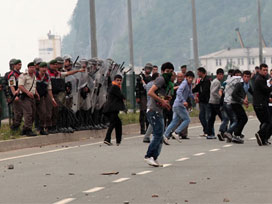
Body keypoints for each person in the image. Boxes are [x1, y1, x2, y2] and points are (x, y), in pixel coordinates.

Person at [144, 62, 172, 167]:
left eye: (171, 71)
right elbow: (150, 92)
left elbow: (160, 97)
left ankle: (154, 158)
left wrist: (166, 101)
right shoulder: (161, 79)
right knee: (157, 134)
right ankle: (148, 156)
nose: (169, 73)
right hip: (153, 110)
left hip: (158, 110)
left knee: (160, 136)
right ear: (162, 71)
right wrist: (162, 101)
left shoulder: (167, 83)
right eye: (167, 71)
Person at [163, 71, 195, 144]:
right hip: (179, 105)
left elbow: (190, 93)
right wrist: (183, 101)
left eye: (192, 78)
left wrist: (194, 97)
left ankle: (165, 135)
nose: (190, 79)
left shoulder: (189, 85)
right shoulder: (184, 83)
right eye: (189, 78)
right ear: (186, 78)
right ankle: (176, 132)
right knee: (187, 119)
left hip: (177, 105)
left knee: (175, 121)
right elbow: (178, 92)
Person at [231, 70, 253, 144]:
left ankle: (235, 134)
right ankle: (236, 135)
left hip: (238, 103)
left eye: (248, 77)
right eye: (245, 77)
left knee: (240, 119)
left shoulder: (248, 85)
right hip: (234, 103)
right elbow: (233, 94)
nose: (246, 78)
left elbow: (252, 93)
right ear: (242, 77)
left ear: (250, 78)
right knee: (244, 118)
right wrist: (242, 101)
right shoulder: (239, 84)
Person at [103, 75, 126, 146]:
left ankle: (118, 140)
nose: (119, 82)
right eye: (117, 80)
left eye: (120, 80)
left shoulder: (114, 86)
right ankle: (107, 139)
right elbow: (121, 96)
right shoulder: (115, 87)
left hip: (113, 109)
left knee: (118, 123)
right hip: (111, 109)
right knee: (113, 123)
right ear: (115, 80)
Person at [18, 62, 40, 136]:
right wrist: (27, 92)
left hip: (32, 97)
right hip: (25, 97)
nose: (32, 69)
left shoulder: (34, 76)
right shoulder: (23, 76)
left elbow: (34, 86)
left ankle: (25, 129)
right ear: (28, 68)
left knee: (33, 113)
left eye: (33, 67)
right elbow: (20, 86)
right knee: (28, 113)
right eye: (31, 67)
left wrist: (36, 93)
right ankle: (28, 129)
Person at [35, 62, 57, 135]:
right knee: (33, 113)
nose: (44, 69)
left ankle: (43, 127)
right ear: (39, 68)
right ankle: (36, 127)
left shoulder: (47, 77)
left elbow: (49, 88)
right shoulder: (35, 75)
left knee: (45, 112)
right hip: (34, 95)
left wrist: (52, 99)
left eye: (45, 67)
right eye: (42, 67)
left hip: (43, 95)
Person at [253, 64, 272, 146]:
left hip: (261, 103)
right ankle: (260, 134)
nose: (265, 72)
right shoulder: (259, 79)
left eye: (266, 70)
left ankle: (263, 139)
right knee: (267, 121)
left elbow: (263, 93)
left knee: (265, 122)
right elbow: (266, 90)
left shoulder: (263, 79)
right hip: (260, 104)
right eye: (264, 70)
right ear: (260, 70)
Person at [223, 69, 242, 142]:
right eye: (237, 75)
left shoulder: (228, 81)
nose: (238, 77)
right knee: (235, 120)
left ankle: (229, 135)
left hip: (225, 102)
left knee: (232, 119)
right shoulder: (236, 80)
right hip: (229, 103)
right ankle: (228, 132)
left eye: (239, 75)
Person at [192, 67, 211, 137]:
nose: (197, 73)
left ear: (201, 72)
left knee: (207, 117)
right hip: (202, 102)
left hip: (206, 101)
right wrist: (190, 91)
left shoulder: (207, 80)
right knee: (201, 117)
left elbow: (205, 91)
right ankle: (206, 130)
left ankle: (209, 131)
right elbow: (197, 88)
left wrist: (199, 98)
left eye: (198, 72)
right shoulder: (202, 81)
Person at [206, 68, 224, 139]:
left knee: (211, 118)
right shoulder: (217, 82)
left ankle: (209, 134)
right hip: (215, 102)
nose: (221, 76)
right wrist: (220, 97)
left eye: (222, 74)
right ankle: (223, 132)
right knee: (223, 118)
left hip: (211, 101)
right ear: (217, 75)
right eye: (220, 74)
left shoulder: (214, 81)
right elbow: (213, 92)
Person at [135, 63, 152, 134]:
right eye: (147, 68)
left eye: (149, 69)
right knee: (143, 112)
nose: (148, 70)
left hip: (149, 96)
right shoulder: (140, 77)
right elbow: (137, 88)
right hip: (142, 96)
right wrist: (138, 97)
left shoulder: (151, 78)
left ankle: (148, 128)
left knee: (148, 113)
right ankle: (142, 129)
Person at [142, 73, 160, 143]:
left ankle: (151, 136)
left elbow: (144, 86)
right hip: (154, 105)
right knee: (153, 122)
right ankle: (147, 136)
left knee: (153, 122)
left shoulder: (148, 84)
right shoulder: (155, 85)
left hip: (148, 105)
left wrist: (143, 82)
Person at [8, 59, 23, 131]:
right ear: (14, 65)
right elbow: (11, 86)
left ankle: (17, 127)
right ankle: (14, 128)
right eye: (18, 65)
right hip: (16, 96)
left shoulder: (20, 74)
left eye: (20, 64)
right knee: (18, 113)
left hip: (21, 95)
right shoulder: (12, 75)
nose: (20, 66)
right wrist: (15, 95)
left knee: (21, 113)